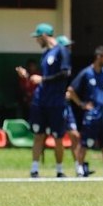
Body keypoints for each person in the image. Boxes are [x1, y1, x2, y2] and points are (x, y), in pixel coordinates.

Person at [16, 23, 71, 178]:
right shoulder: (46, 54)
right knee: (38, 135)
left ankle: (59, 170)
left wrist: (43, 79)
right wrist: (28, 76)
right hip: (40, 101)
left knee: (58, 136)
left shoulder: (62, 50)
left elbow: (65, 73)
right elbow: (41, 80)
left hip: (56, 102)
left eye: (37, 37)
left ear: (45, 36)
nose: (36, 40)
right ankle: (34, 170)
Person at [67, 46, 103, 178]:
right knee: (85, 143)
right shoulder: (86, 73)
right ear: (98, 57)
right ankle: (80, 169)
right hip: (92, 115)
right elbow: (71, 91)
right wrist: (82, 104)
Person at [56, 35, 93, 176]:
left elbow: (70, 90)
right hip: (55, 105)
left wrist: (79, 103)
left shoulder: (68, 64)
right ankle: (58, 170)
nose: (68, 50)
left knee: (75, 135)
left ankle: (79, 168)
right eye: (66, 47)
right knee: (56, 137)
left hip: (66, 105)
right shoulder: (54, 65)